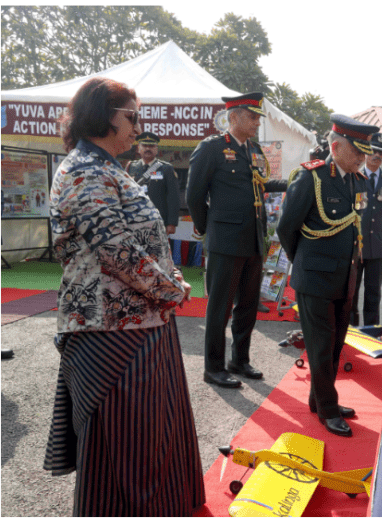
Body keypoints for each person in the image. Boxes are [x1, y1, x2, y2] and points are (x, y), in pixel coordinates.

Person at [43, 77, 205, 516]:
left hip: (143, 324)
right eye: (131, 117)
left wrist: (170, 275)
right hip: (107, 331)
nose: (138, 127)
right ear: (101, 116)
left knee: (153, 438)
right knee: (128, 445)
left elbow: (146, 240)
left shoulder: (113, 169)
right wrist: (172, 288)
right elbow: (116, 249)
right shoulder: (83, 169)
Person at [277, 114, 378, 437]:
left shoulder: (358, 181)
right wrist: (303, 262)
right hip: (315, 278)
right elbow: (286, 227)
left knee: (334, 344)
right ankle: (329, 409)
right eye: (357, 152)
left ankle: (319, 400)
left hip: (345, 277)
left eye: (365, 153)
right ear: (335, 147)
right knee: (320, 346)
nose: (363, 158)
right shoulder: (311, 178)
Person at [187, 92, 287, 388]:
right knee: (220, 307)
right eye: (253, 117)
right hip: (225, 242)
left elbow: (261, 183)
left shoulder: (254, 150)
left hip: (254, 239)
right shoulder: (212, 148)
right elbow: (194, 195)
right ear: (233, 117)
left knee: (248, 304)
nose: (257, 123)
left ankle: (239, 360)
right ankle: (213, 367)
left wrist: (292, 181)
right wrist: (209, 230)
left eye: (258, 117)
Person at [351, 132, 382, 326]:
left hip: (377, 246)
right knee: (351, 292)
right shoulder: (354, 177)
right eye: (373, 150)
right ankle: (350, 331)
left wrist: (376, 231)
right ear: (365, 152)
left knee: (373, 293)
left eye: (381, 152)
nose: (376, 155)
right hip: (355, 245)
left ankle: (371, 330)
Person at [126, 131, 180, 236]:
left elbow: (173, 197)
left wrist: (172, 223)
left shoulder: (166, 168)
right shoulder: (131, 167)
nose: (147, 149)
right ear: (138, 148)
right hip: (134, 220)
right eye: (144, 146)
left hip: (157, 221)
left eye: (151, 146)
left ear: (156, 149)